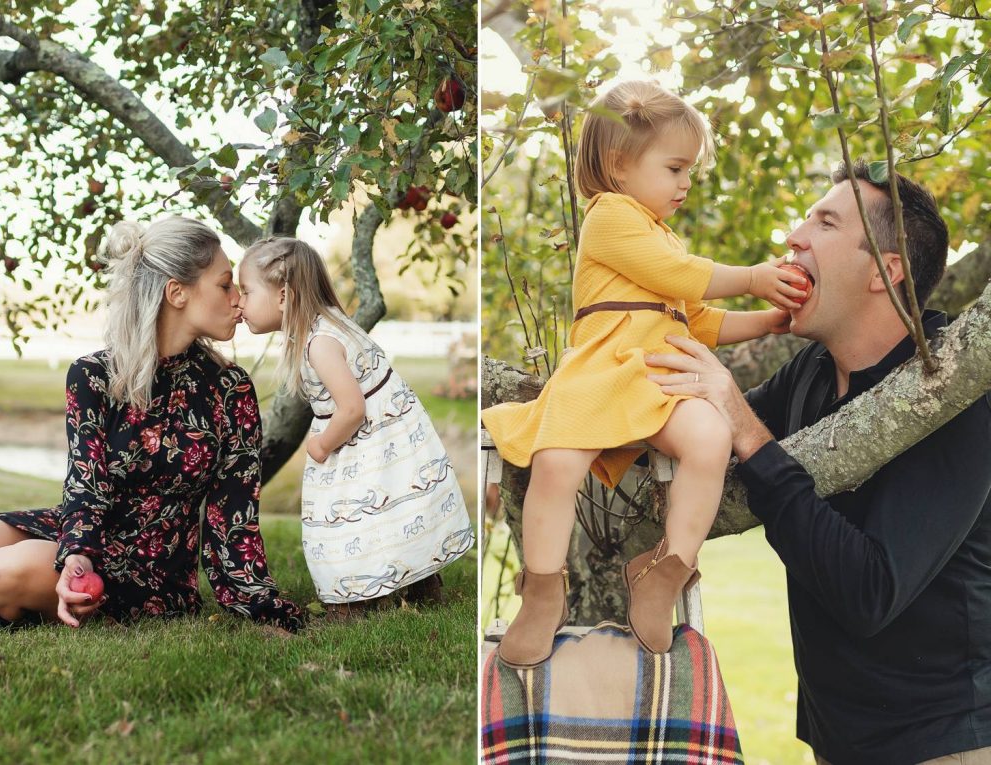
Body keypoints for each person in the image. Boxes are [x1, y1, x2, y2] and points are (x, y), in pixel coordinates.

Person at [645, 160, 991, 764]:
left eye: (824, 222)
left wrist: (750, 434)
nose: (793, 238)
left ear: (886, 270)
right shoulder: (810, 371)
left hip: (942, 744)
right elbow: (707, 425)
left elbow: (869, 593)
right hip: (835, 738)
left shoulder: (952, 394)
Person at [481, 79, 809, 668]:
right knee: (557, 463)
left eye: (690, 171)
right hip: (603, 369)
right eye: (676, 167)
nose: (686, 183)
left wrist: (767, 321)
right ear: (618, 164)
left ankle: (668, 567)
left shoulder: (661, 232)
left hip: (660, 373)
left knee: (710, 439)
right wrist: (755, 274)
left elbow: (699, 317)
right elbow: (680, 275)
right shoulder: (609, 216)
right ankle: (543, 589)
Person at [0, 217, 302, 633]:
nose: (238, 299)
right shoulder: (92, 375)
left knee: (2, 570)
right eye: (225, 284)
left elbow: (234, 517)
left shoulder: (230, 389)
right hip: (84, 534)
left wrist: (261, 605)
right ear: (176, 292)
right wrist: (77, 553)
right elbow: (86, 483)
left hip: (150, 571)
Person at [236, 236, 474, 617]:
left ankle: (352, 600)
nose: (238, 301)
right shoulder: (324, 326)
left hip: (367, 440)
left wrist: (321, 446)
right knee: (390, 510)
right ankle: (417, 583)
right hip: (387, 437)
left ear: (283, 296)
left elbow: (351, 409)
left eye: (246, 290)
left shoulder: (320, 343)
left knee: (346, 518)